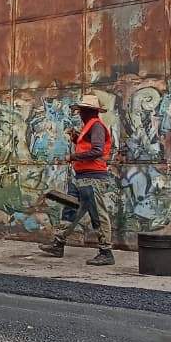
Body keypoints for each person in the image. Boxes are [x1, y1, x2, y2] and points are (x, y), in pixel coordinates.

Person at [40, 94, 116, 265]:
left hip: (93, 177)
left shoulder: (96, 126)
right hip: (83, 177)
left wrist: (73, 157)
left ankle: (106, 252)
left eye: (81, 110)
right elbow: (90, 146)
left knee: (98, 214)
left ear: (88, 111)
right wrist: (76, 137)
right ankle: (58, 243)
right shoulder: (90, 126)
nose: (79, 113)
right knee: (71, 210)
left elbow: (97, 150)